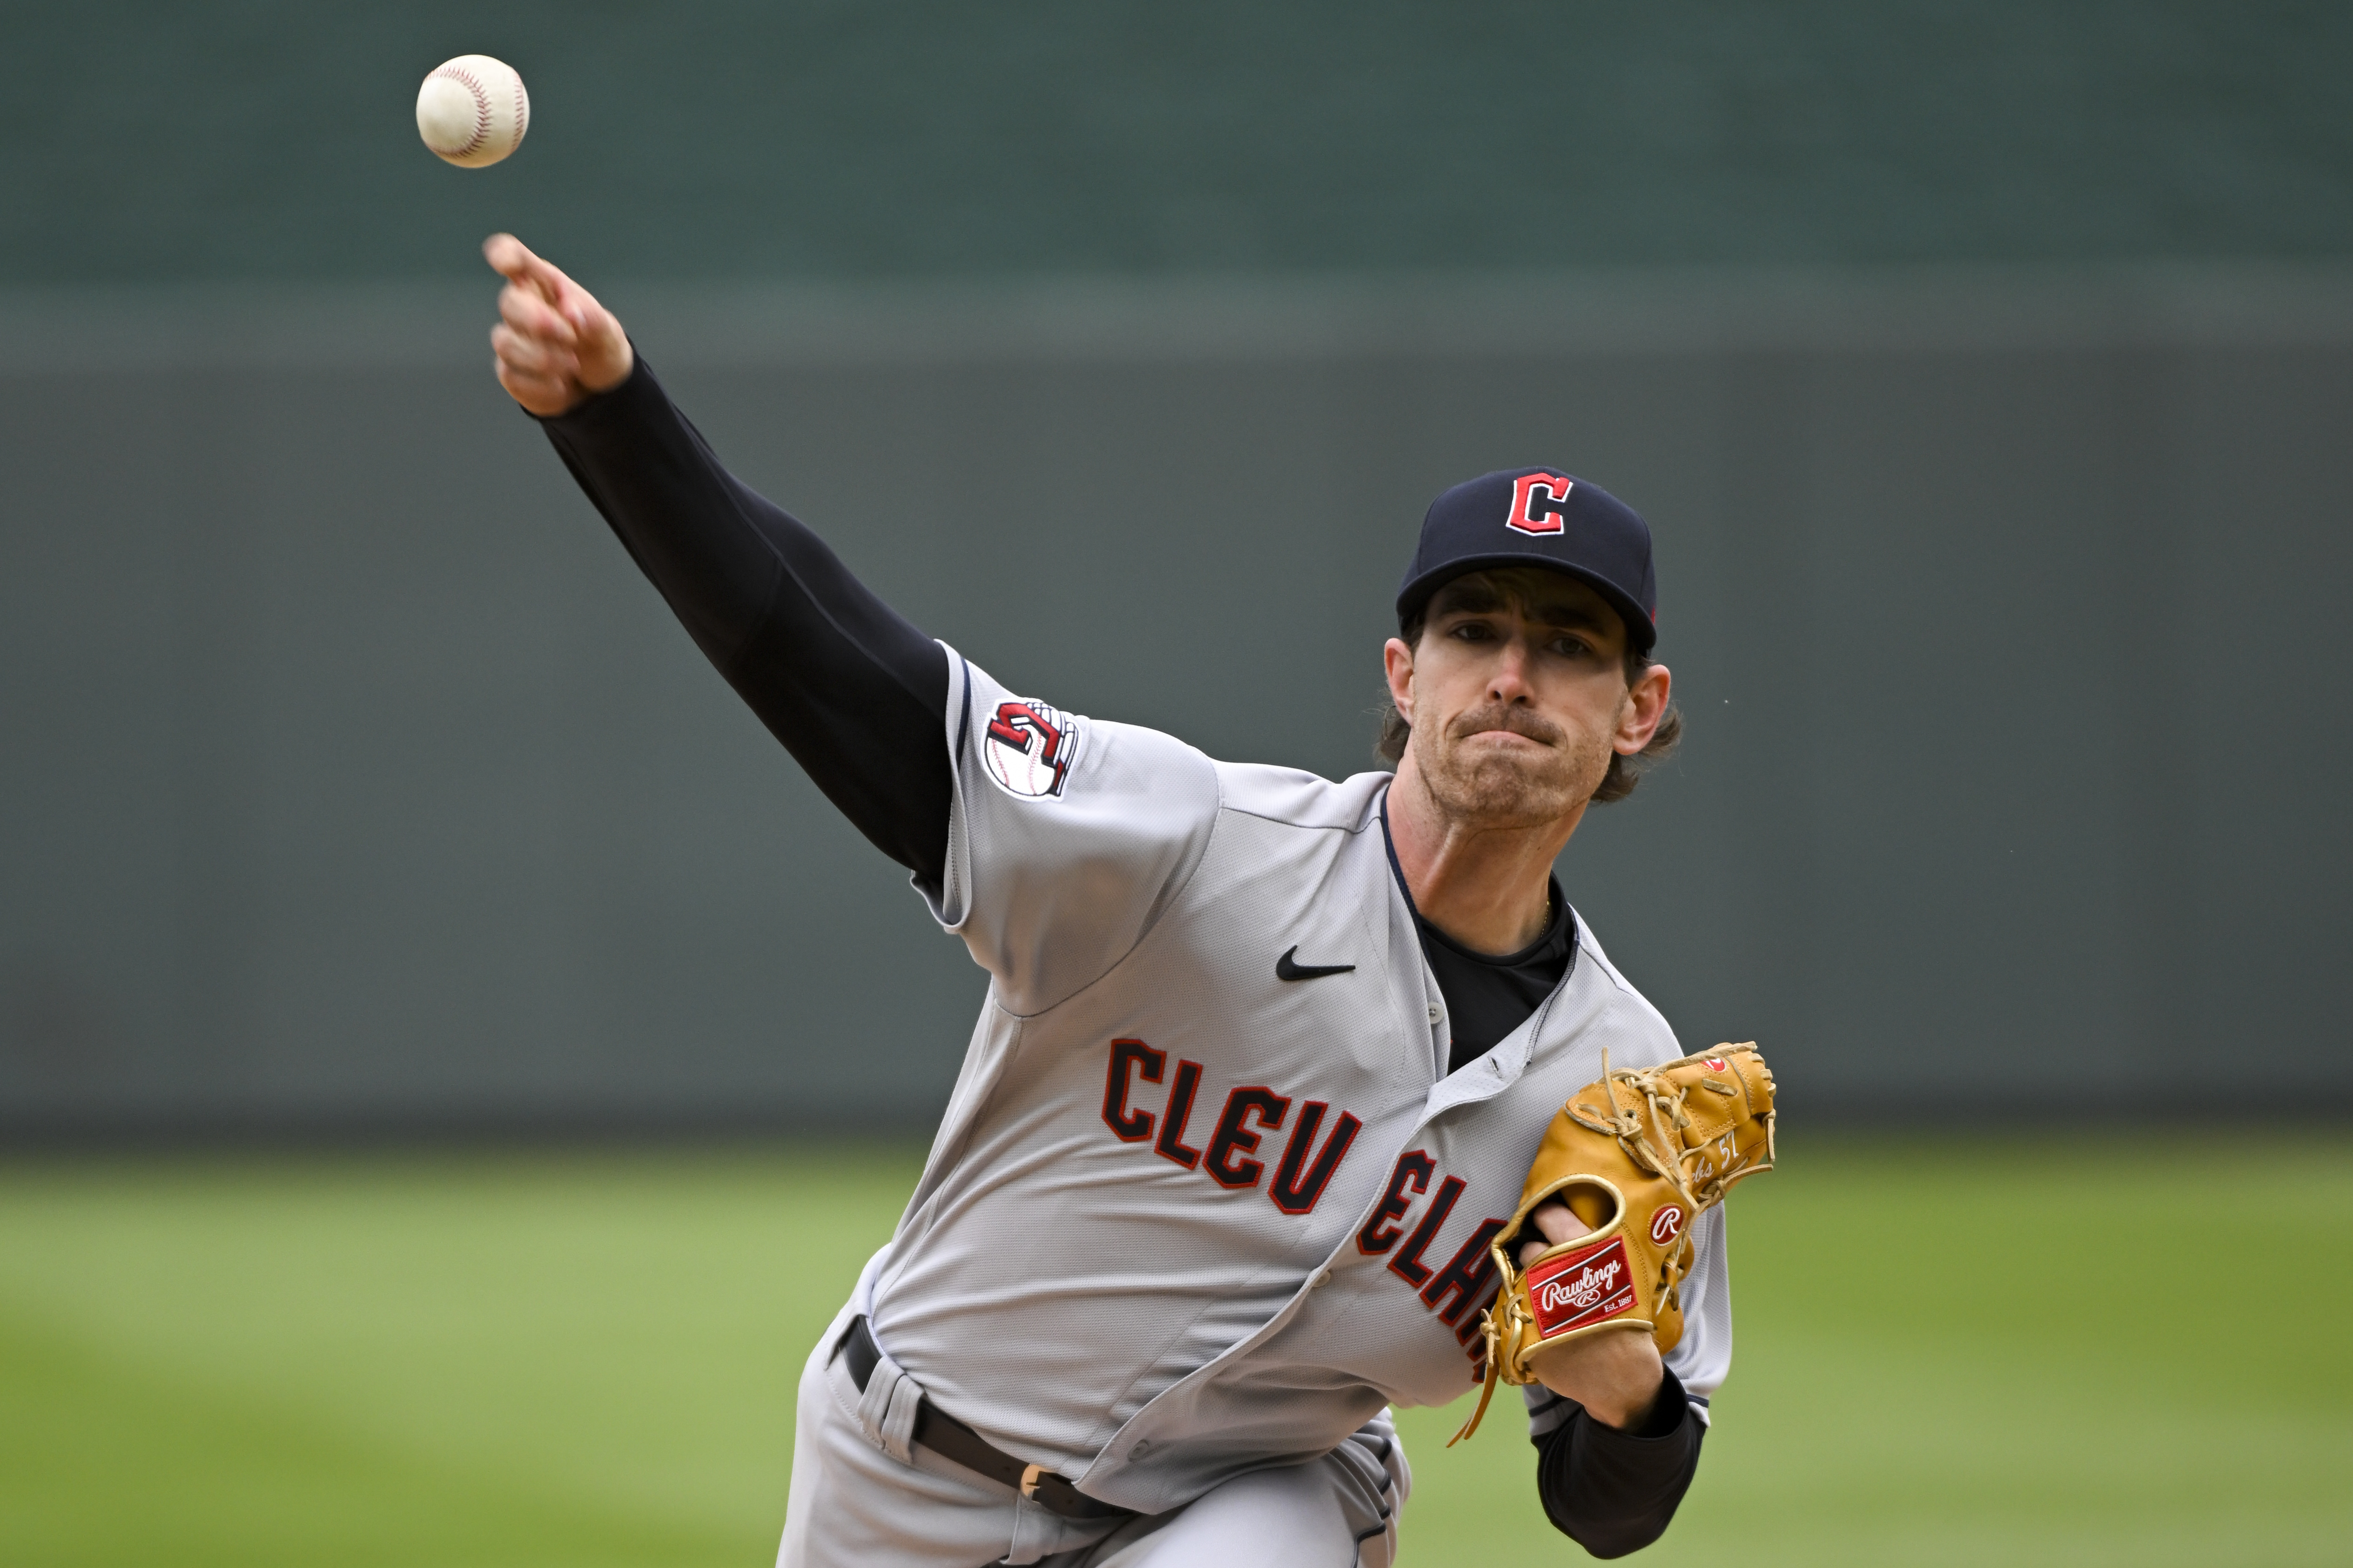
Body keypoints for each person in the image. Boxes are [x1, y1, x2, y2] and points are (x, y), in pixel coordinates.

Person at [484, 232, 1721, 1566]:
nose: (1514, 674)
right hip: (901, 1470)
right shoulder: (1193, 842)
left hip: (1245, 1504)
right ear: (1406, 674)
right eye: (1474, 629)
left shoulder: (1625, 1086)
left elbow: (1610, 1503)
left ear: (1638, 710)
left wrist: (1628, 1398)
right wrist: (616, 423)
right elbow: (847, 676)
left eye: (1571, 644)